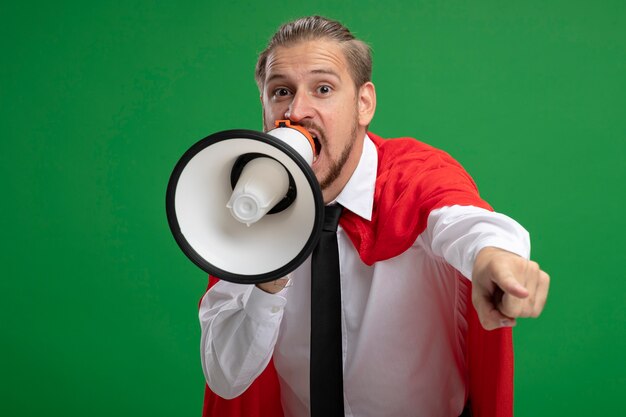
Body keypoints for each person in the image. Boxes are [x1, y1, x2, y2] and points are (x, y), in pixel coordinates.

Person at [198, 16, 550, 417]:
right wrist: (266, 279)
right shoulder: (244, 211)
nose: (297, 111)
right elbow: (226, 378)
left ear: (363, 103)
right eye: (281, 92)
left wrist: (495, 259)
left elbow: (467, 223)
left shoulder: (414, 176)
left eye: (323, 88)